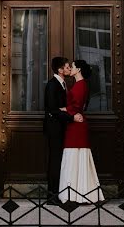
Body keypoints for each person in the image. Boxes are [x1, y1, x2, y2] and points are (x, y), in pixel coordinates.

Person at [58, 59, 104, 204]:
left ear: (78, 70)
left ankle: (76, 195)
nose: (70, 68)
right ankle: (78, 193)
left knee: (75, 157)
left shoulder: (80, 85)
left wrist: (62, 109)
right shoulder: (81, 85)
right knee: (76, 158)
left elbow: (76, 106)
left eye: (72, 66)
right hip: (76, 124)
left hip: (77, 126)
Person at [43, 57, 82, 203]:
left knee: (59, 160)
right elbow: (52, 110)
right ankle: (51, 196)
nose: (69, 69)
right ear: (60, 70)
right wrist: (72, 118)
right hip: (54, 129)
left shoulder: (62, 83)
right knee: (55, 161)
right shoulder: (52, 85)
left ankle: (57, 192)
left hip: (61, 128)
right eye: (66, 67)